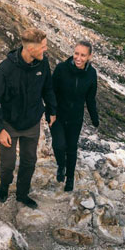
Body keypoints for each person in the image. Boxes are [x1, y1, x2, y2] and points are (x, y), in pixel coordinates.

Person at [0, 28, 57, 209]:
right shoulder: (5, 70)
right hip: (9, 124)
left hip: (32, 123)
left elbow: (47, 89)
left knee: (29, 161)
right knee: (8, 163)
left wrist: (52, 111)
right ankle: (4, 187)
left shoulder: (43, 64)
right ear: (30, 48)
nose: (46, 49)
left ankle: (22, 194)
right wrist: (0, 129)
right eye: (42, 46)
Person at [49, 41, 99, 192]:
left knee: (71, 148)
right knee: (59, 145)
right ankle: (61, 165)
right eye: (76, 53)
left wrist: (94, 118)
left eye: (83, 55)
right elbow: (51, 92)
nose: (78, 57)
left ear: (89, 56)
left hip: (75, 118)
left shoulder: (91, 74)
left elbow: (90, 99)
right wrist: (50, 112)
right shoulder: (61, 69)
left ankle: (69, 178)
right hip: (57, 115)